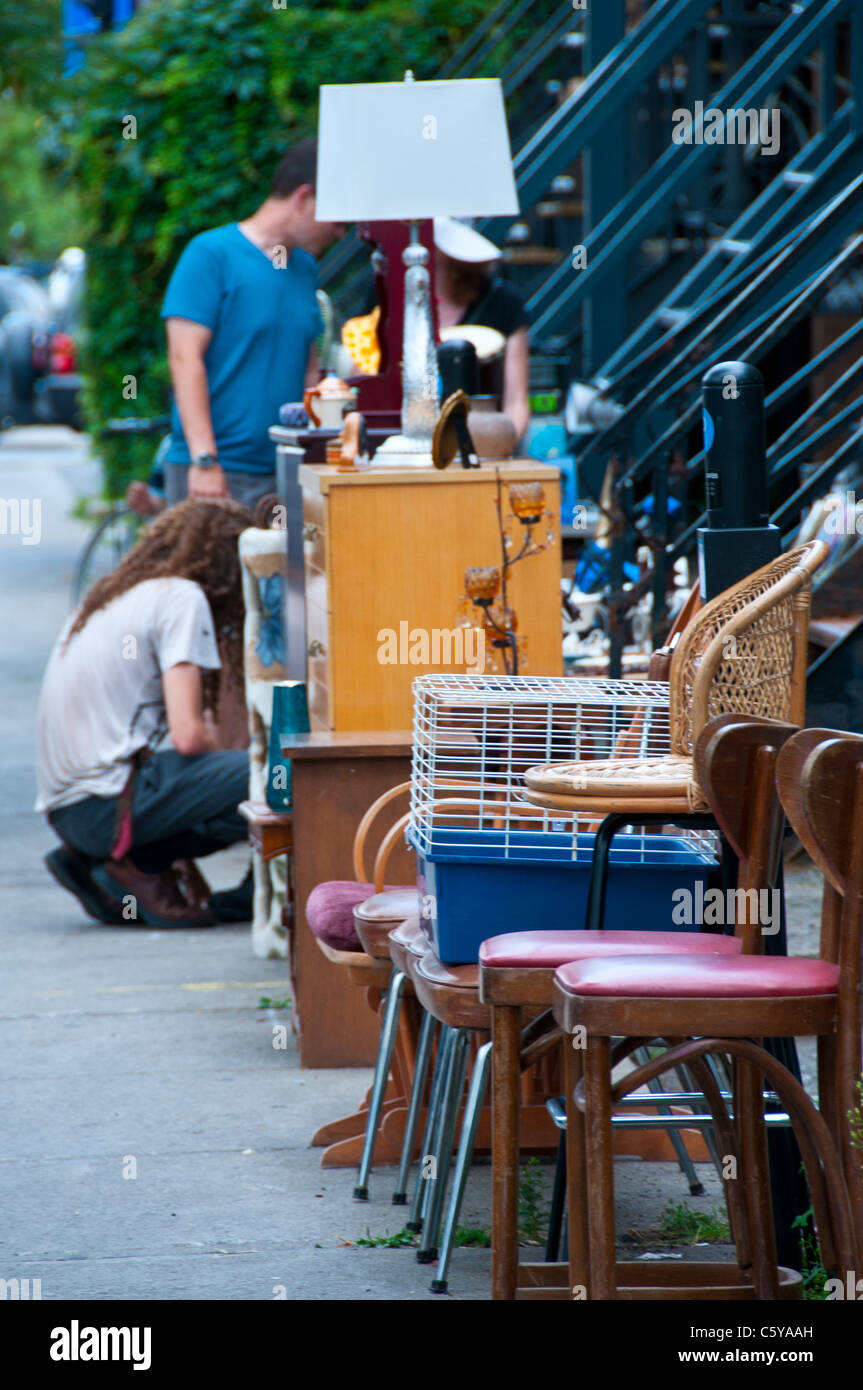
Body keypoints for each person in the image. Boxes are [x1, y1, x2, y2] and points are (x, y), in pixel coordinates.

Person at [36, 499, 255, 929]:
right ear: (228, 568)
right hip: (106, 807)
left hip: (69, 812)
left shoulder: (110, 596)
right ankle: (148, 864)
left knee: (233, 774)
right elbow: (190, 736)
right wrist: (227, 770)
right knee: (280, 773)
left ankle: (118, 864)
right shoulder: (182, 598)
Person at [161, 138, 344, 509]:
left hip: (287, 468)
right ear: (303, 197)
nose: (341, 233)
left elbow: (307, 370)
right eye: (338, 221)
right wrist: (205, 460)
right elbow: (184, 359)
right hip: (217, 474)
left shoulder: (304, 269)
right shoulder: (211, 255)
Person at [432, 216, 530, 441]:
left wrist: (501, 449)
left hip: (483, 442)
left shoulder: (503, 303)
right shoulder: (393, 298)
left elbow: (516, 401)